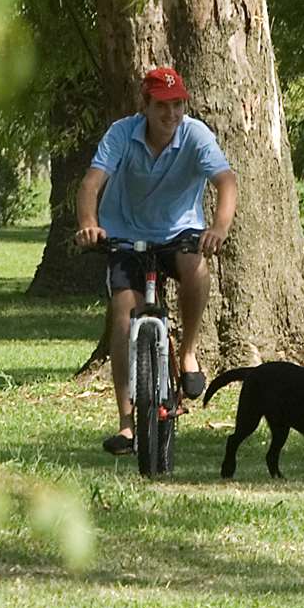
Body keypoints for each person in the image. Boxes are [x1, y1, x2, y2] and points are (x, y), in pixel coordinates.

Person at [74, 65, 237, 455]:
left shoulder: (195, 135)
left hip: (179, 230)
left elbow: (226, 181)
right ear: (144, 105)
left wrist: (219, 228)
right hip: (125, 233)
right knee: (122, 315)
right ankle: (126, 424)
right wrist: (88, 225)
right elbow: (90, 183)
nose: (171, 114)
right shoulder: (120, 134)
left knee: (196, 268)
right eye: (162, 105)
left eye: (178, 104)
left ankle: (188, 353)